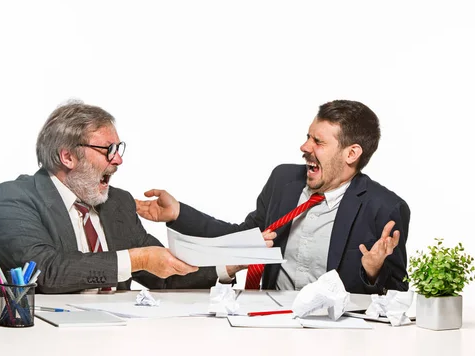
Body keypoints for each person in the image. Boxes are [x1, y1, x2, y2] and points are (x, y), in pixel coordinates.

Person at [136, 100, 410, 294]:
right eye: (308, 137)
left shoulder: (384, 208)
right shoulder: (284, 181)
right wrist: (178, 214)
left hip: (334, 333)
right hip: (268, 319)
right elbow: (240, 238)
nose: (305, 147)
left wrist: (373, 271)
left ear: (351, 154)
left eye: (319, 142)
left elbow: (397, 294)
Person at [0, 100, 239, 295]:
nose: (118, 160)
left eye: (118, 149)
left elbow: (165, 275)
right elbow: (47, 271)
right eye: (108, 150)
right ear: (68, 157)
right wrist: (138, 259)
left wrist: (227, 267)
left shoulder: (117, 203)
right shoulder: (13, 199)